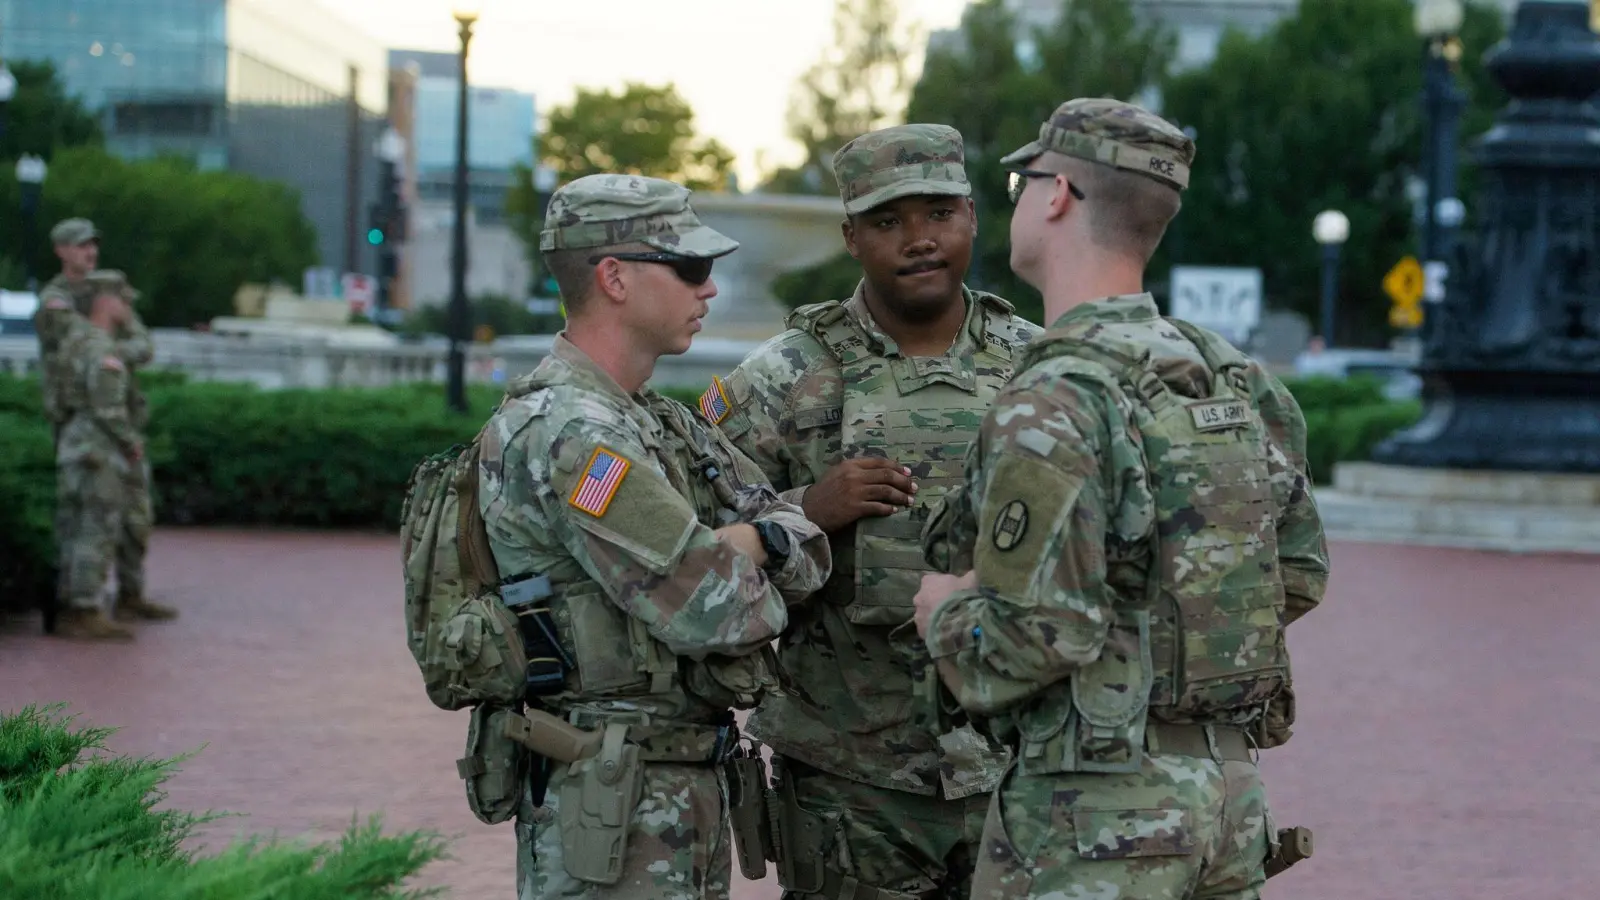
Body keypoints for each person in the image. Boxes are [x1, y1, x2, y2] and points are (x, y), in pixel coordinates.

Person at [912, 99, 1330, 899]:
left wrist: (943, 611)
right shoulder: (1233, 378)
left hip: (1091, 813)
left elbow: (1038, 633)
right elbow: (1298, 575)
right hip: (1227, 803)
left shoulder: (1058, 394)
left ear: (1057, 194)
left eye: (1020, 182)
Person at [699, 123, 1040, 900]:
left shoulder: (1038, 367)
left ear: (973, 217)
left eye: (939, 214)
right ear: (851, 236)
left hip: (1012, 763)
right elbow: (694, 560)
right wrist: (805, 510)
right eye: (888, 222)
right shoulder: (782, 379)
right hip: (849, 778)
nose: (919, 240)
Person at [476, 172, 832, 900]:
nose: (709, 290)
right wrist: (753, 543)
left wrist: (747, 541)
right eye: (692, 268)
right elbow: (727, 610)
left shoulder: (657, 420)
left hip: (668, 788)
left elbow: (810, 549)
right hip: (609, 802)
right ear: (614, 277)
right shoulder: (575, 436)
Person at [33, 219, 172, 622]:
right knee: (89, 517)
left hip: (117, 417)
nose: (89, 253)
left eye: (93, 245)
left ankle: (130, 593)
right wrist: (109, 341)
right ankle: (77, 604)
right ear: (61, 250)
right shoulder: (55, 300)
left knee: (134, 516)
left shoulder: (107, 289)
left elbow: (142, 345)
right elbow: (85, 344)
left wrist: (111, 345)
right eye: (79, 246)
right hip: (85, 419)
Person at [51, 271, 148, 641]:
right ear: (105, 301)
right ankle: (85, 609)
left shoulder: (74, 341)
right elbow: (108, 408)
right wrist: (129, 442)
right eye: (123, 301)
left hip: (75, 443)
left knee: (72, 528)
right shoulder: (101, 347)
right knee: (96, 528)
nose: (127, 309)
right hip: (97, 448)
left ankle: (67, 604)